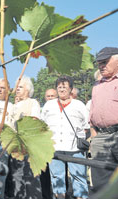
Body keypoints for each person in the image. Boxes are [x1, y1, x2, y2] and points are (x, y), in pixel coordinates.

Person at [41, 76, 89, 199]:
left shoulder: (79, 105)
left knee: (79, 177)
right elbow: (42, 124)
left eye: (65, 87)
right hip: (55, 148)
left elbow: (86, 125)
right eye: (59, 87)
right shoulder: (49, 105)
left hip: (75, 148)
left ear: (71, 89)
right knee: (57, 178)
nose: (62, 90)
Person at [5, 76, 43, 199]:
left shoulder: (33, 103)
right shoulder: (13, 105)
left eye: (20, 87)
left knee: (31, 176)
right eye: (17, 87)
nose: (17, 89)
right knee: (17, 175)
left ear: (28, 89)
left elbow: (34, 120)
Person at [89, 47, 118, 195]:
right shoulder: (97, 85)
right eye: (99, 62)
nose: (101, 66)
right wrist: (94, 136)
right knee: (100, 181)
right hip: (100, 137)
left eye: (105, 62)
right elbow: (92, 111)